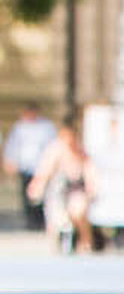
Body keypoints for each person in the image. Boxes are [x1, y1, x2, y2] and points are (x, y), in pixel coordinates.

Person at [28, 115, 91, 253]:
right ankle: (56, 244)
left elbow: (89, 172)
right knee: (55, 219)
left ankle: (84, 240)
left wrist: (91, 189)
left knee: (78, 209)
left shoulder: (80, 151)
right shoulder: (55, 149)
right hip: (56, 190)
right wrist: (37, 185)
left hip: (75, 190)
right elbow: (44, 171)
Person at [6, 105, 52, 230]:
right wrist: (10, 161)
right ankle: (30, 221)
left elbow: (51, 144)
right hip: (25, 166)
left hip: (41, 166)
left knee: (41, 195)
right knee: (26, 195)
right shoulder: (20, 127)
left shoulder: (46, 127)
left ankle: (41, 220)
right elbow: (13, 145)